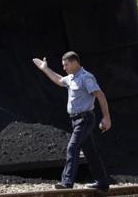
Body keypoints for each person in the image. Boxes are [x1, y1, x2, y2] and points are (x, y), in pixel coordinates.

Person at [32, 51, 112, 192]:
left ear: (75, 63)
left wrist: (106, 117)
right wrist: (45, 69)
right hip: (76, 120)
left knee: (72, 147)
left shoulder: (86, 78)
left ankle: (67, 182)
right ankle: (103, 183)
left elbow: (100, 95)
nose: (64, 68)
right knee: (91, 152)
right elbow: (59, 80)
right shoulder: (71, 78)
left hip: (85, 119)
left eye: (66, 65)